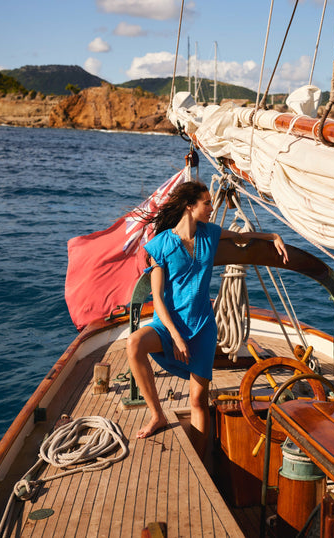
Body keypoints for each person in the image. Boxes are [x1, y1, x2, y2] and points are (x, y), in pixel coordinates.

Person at [126, 181, 288, 457]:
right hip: (169, 325)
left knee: (198, 399)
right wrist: (175, 337)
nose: (212, 208)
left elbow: (242, 237)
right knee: (134, 344)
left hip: (202, 327)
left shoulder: (210, 234)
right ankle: (157, 414)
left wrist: (273, 235)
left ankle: (202, 459)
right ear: (190, 206)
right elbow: (158, 300)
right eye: (207, 202)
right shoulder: (161, 244)